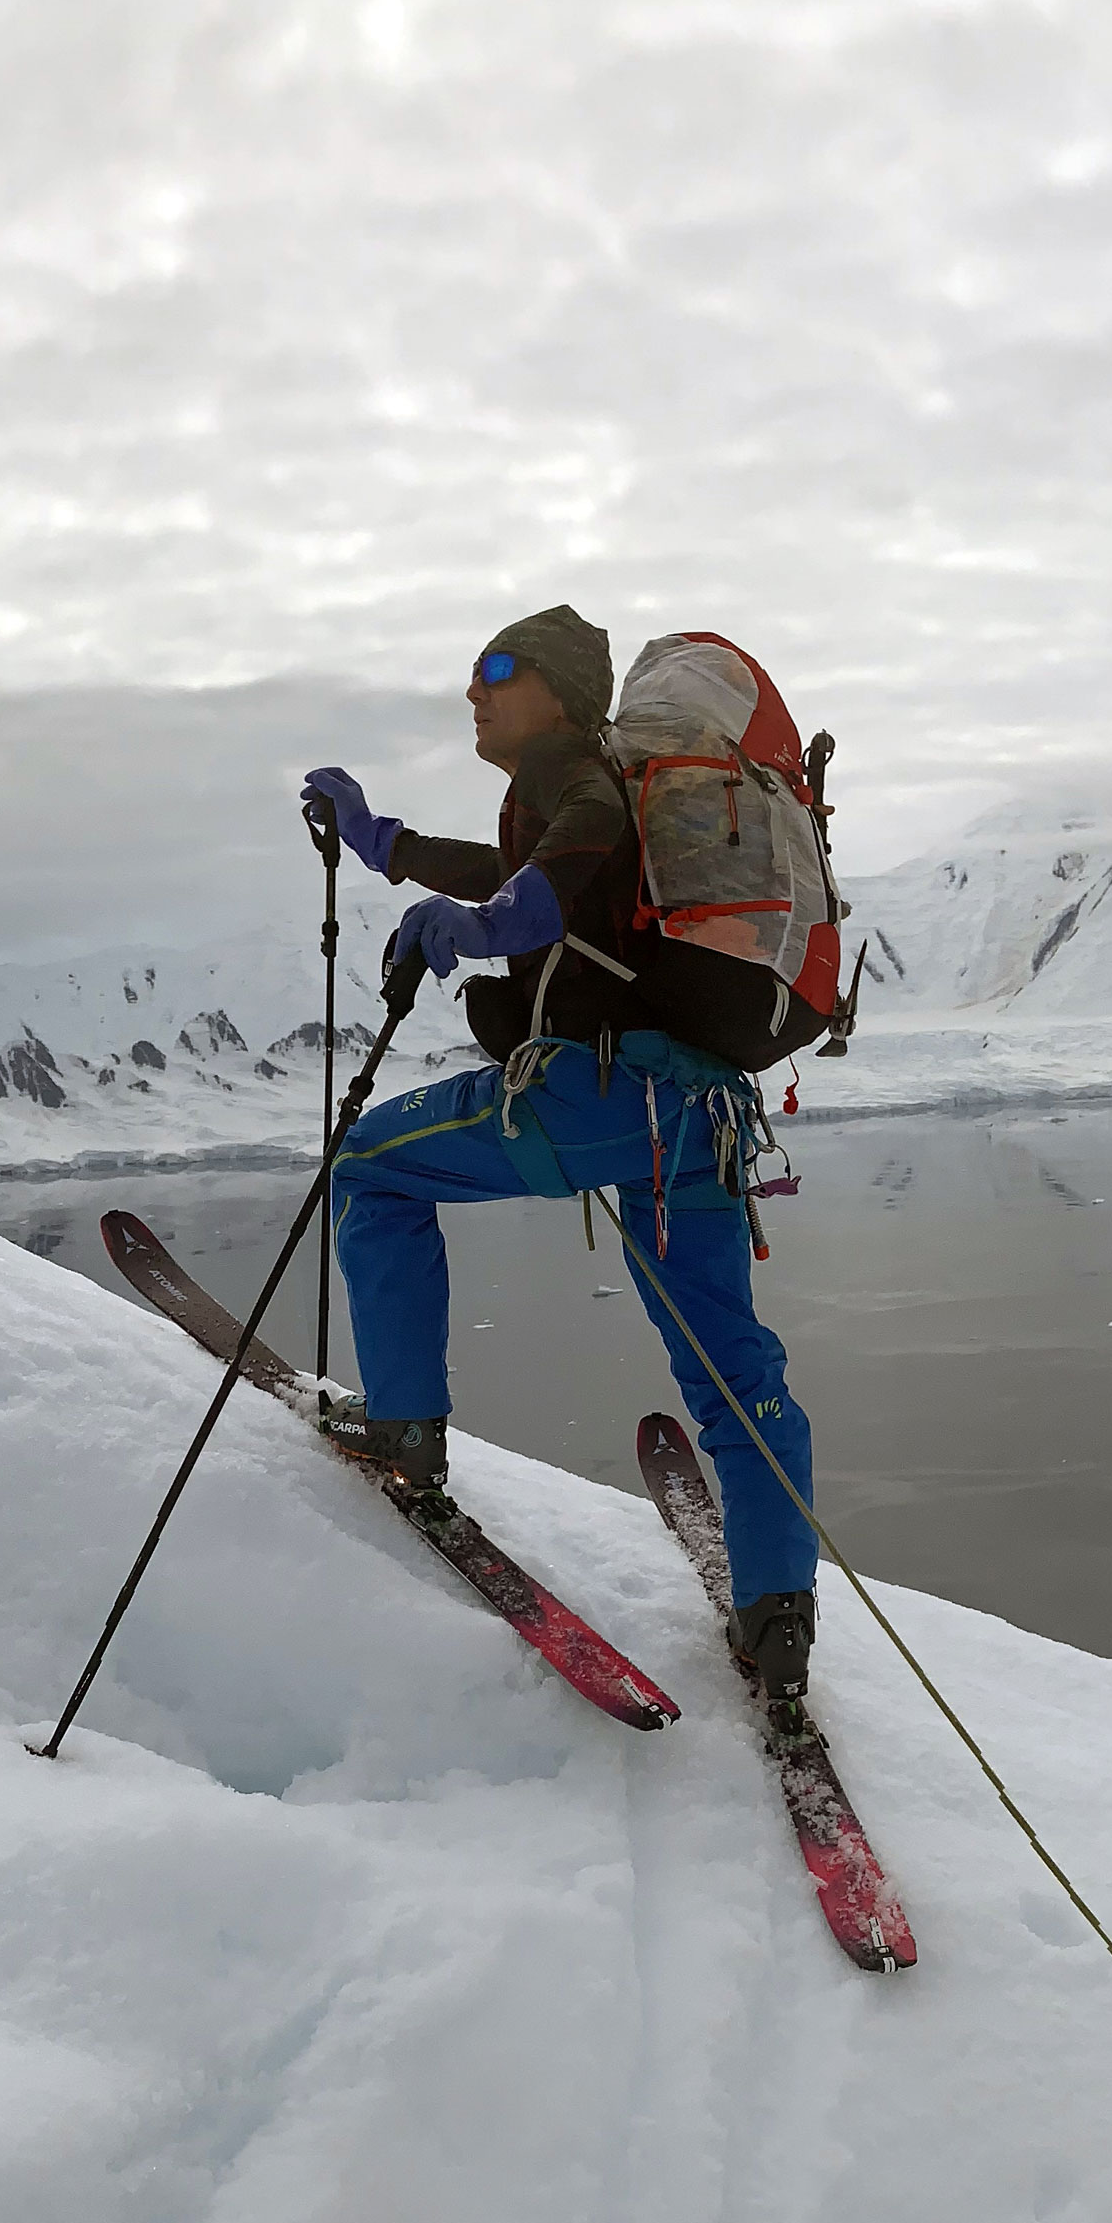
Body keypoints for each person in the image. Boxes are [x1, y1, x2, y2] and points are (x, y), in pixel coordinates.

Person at [299, 605, 819, 1729]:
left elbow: (535, 882)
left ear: (564, 690)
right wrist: (381, 843)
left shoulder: (574, 775)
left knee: (372, 1170)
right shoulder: (596, 798)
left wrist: (470, 928)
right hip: (698, 1119)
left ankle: (403, 1428)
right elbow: (521, 865)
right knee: (730, 1361)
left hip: (596, 1095)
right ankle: (777, 1611)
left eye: (498, 668)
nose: (474, 690)